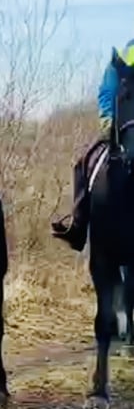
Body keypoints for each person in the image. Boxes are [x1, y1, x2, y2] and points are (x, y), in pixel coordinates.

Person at [51, 38, 134, 251]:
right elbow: (108, 89)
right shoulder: (123, 56)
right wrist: (108, 119)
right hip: (124, 126)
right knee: (83, 163)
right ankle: (78, 227)